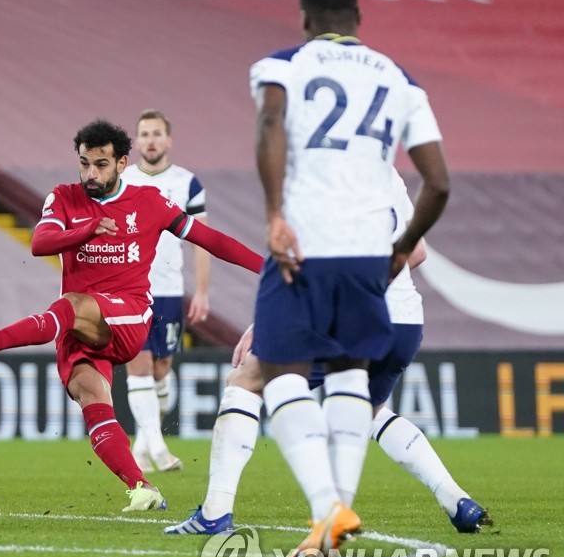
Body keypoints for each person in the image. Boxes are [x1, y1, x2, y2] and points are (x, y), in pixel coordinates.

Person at [248, 0, 450, 557]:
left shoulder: (281, 64)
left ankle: (326, 505)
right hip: (368, 254)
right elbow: (438, 183)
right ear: (359, 18)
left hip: (303, 245)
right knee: (348, 378)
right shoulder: (401, 80)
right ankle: (327, 540)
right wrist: (402, 244)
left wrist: (275, 214)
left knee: (277, 375)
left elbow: (269, 127)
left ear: (306, 18)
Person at [164, 167, 491, 536]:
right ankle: (456, 499)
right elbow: (417, 253)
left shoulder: (319, 176)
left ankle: (216, 510)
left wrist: (269, 321)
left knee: (247, 380)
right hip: (405, 321)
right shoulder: (385, 173)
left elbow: (303, 263)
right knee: (371, 410)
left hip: (346, 317)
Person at [0, 119, 262, 512]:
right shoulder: (64, 197)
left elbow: (210, 239)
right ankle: (142, 487)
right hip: (81, 328)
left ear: (122, 163)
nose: (90, 174)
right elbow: (40, 243)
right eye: (84, 163)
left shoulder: (149, 202)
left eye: (100, 164)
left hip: (129, 316)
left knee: (71, 303)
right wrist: (87, 228)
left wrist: (266, 270)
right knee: (93, 400)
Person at [122, 110, 209, 474]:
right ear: (137, 140)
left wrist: (202, 290)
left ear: (168, 140)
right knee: (138, 366)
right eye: (144, 134)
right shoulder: (121, 180)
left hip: (171, 289)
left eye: (157, 133)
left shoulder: (188, 184)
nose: (151, 140)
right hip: (129, 288)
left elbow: (201, 240)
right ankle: (158, 450)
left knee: (161, 371)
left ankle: (143, 443)